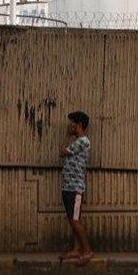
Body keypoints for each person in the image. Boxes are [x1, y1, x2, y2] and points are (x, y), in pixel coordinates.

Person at [58, 111, 93, 266]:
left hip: (76, 188)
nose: (69, 125)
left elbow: (62, 152)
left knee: (75, 220)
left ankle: (87, 250)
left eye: (72, 122)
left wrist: (67, 135)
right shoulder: (78, 141)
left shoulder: (83, 141)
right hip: (69, 187)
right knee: (73, 220)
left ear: (79, 125)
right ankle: (77, 249)